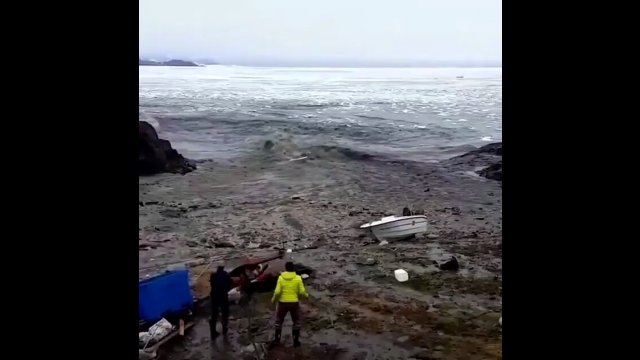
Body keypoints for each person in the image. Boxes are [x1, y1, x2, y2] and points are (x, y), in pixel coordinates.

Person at [270, 261, 309, 347]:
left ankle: (277, 339)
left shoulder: (281, 278)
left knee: (279, 321)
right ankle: (296, 341)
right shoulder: (298, 278)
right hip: (294, 303)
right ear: (293, 268)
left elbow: (277, 292)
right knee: (296, 322)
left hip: (282, 303)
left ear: (285, 268)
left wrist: (273, 300)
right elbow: (302, 292)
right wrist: (306, 296)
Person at [209, 261, 231, 337]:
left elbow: (212, 285)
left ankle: (213, 332)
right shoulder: (226, 275)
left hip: (214, 296)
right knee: (225, 313)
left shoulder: (213, 275)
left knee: (214, 314)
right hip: (223, 296)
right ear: (223, 267)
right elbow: (229, 286)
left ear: (217, 267)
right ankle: (224, 328)